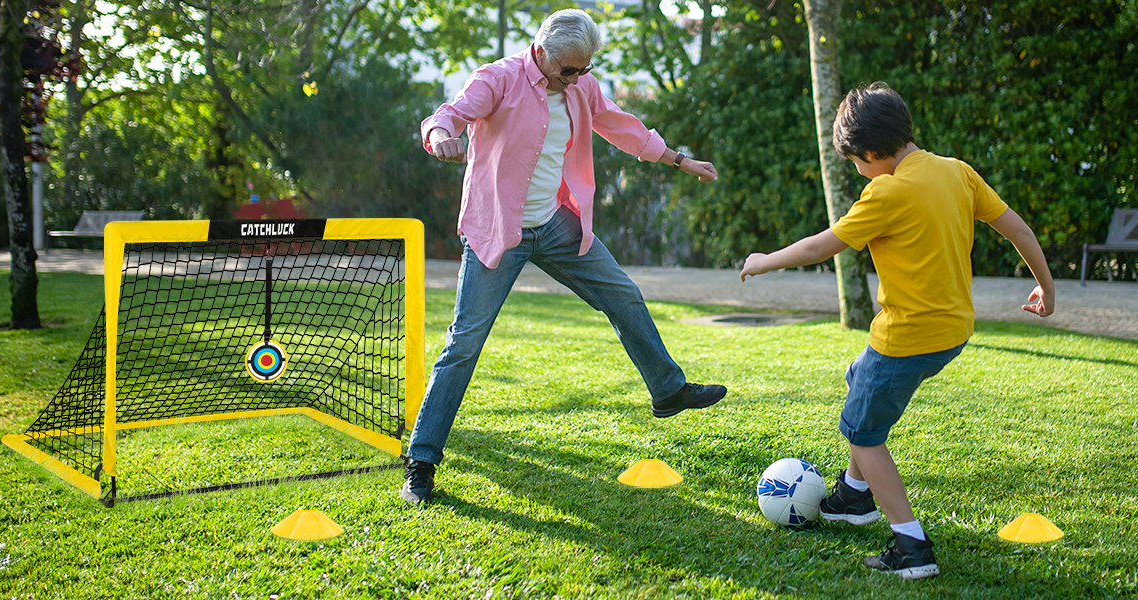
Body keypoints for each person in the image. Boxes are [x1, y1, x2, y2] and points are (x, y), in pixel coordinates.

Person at [403, 9, 727, 504]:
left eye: (584, 69)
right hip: (499, 229)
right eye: (569, 69)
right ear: (541, 52)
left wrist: (679, 160)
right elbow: (449, 114)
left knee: (623, 295)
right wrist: (439, 137)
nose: (577, 78)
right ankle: (421, 462)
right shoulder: (499, 79)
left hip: (555, 224)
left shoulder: (581, 87)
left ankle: (668, 390)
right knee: (464, 343)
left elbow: (623, 128)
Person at [739, 83, 1056, 579]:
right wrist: (1046, 287)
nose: (858, 172)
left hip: (906, 338)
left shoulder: (887, 191)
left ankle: (911, 547)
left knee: (864, 434)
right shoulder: (957, 172)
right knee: (856, 378)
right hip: (954, 330)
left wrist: (762, 262)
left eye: (856, 163)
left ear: (869, 153)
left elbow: (820, 248)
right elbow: (1019, 229)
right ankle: (852, 496)